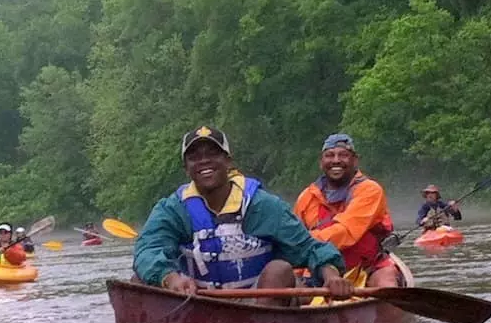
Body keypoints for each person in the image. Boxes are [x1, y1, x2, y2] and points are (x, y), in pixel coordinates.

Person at [133, 125, 354, 306]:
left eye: (212, 154)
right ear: (186, 168)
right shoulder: (173, 209)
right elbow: (147, 251)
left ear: (228, 161)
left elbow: (310, 248)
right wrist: (170, 278)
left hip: (258, 306)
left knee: (280, 270)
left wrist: (332, 276)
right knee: (139, 281)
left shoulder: (263, 205)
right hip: (196, 303)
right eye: (195, 157)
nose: (204, 162)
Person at [293, 133, 399, 287]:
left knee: (387, 281)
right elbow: (294, 235)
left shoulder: (370, 190)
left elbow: (346, 231)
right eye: (329, 155)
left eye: (343, 155)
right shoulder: (307, 197)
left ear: (355, 160)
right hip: (319, 272)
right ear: (321, 162)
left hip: (368, 269)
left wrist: (305, 243)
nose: (336, 160)